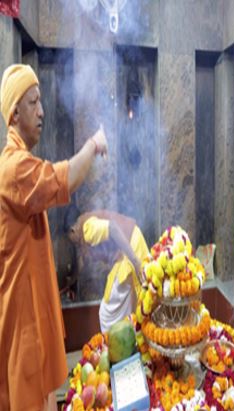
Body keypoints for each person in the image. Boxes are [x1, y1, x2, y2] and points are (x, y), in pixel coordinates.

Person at [0, 64, 108, 410]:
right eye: (33, 103)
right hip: (22, 320)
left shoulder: (20, 162)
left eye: (41, 101)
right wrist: (94, 144)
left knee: (44, 394)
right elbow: (64, 179)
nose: (42, 112)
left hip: (32, 314)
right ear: (14, 113)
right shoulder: (14, 168)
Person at [67, 210, 149, 333]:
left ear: (72, 230)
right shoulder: (82, 239)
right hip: (126, 253)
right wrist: (71, 284)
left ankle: (115, 341)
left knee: (107, 313)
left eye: (69, 238)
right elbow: (80, 263)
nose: (71, 243)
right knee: (129, 304)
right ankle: (130, 339)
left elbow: (113, 227)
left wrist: (135, 262)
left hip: (130, 250)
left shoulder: (87, 228)